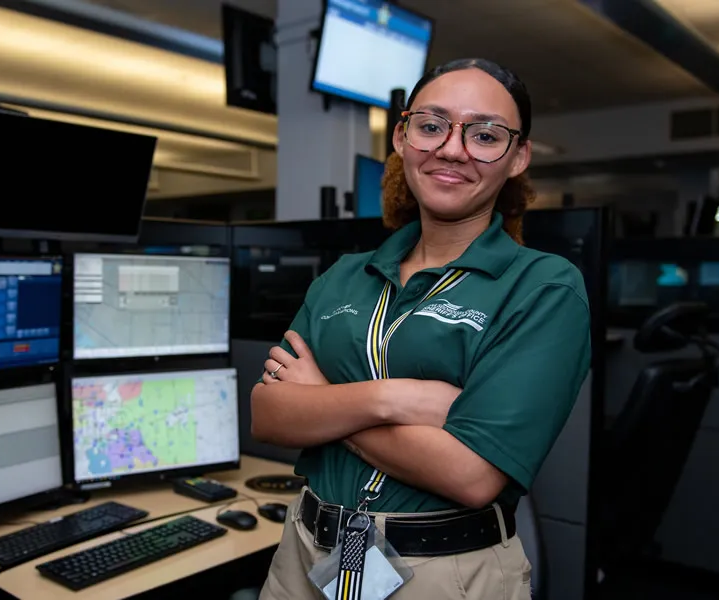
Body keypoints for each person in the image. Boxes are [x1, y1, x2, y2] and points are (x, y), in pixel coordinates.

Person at [251, 58, 591, 600]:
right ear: (403, 138)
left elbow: (470, 475)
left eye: (484, 135)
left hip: (444, 572)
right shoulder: (345, 275)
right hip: (304, 555)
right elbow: (269, 414)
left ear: (518, 157)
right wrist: (395, 398)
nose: (452, 149)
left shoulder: (543, 288)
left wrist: (322, 401)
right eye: (431, 126)